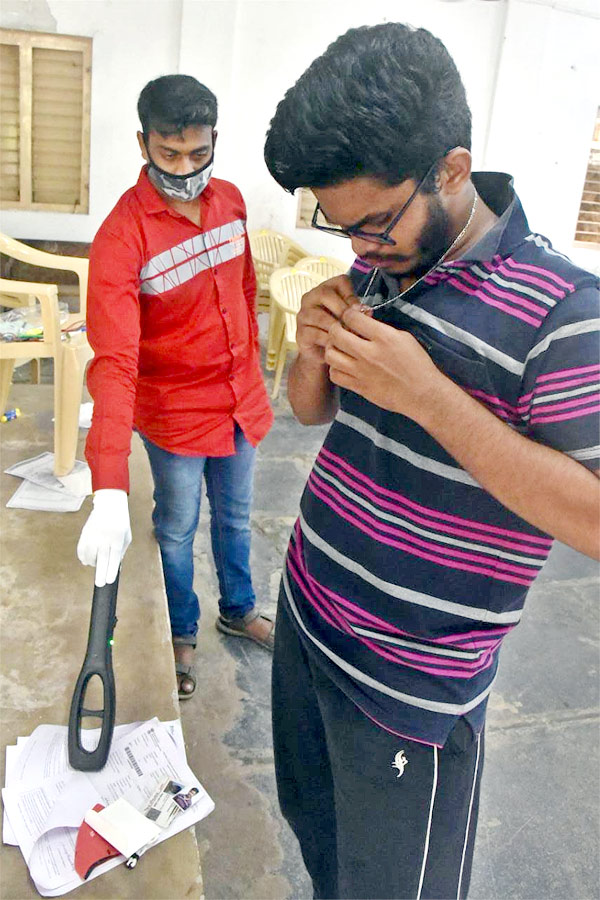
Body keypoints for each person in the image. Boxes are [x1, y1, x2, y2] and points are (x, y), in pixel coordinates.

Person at [263, 23, 600, 900]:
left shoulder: (565, 315)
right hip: (308, 620)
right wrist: (310, 352)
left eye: (373, 225)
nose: (357, 251)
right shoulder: (385, 265)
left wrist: (430, 396)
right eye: (340, 230)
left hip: (410, 689)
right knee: (320, 846)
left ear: (451, 169)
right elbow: (310, 414)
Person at [78, 75, 275, 701]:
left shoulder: (232, 202)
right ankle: (180, 633)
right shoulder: (122, 236)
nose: (185, 169)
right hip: (175, 417)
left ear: (215, 139)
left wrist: (252, 361)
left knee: (238, 519)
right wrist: (108, 486)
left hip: (238, 399)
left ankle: (238, 610)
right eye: (168, 155)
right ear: (142, 143)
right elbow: (113, 361)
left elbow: (243, 292)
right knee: (177, 527)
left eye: (198, 152)